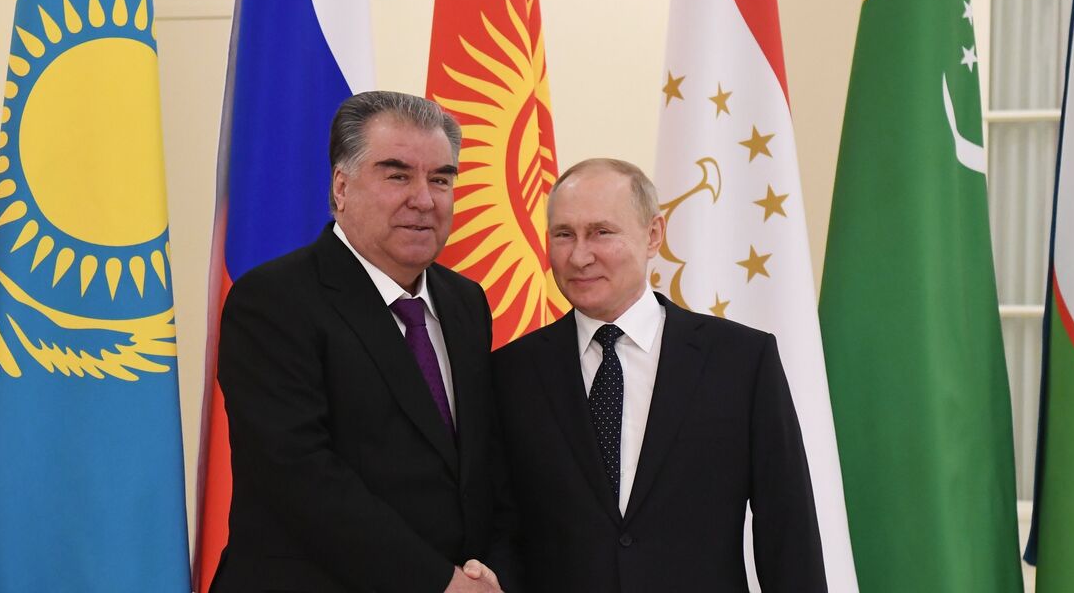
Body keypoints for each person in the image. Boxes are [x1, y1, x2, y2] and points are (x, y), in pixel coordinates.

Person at [211, 91, 515, 592]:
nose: (424, 199)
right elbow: (300, 477)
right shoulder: (272, 301)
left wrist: (492, 573)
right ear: (341, 187)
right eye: (398, 176)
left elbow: (483, 469)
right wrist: (440, 583)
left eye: (441, 179)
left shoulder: (466, 302)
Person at [493, 158, 827, 592]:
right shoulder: (511, 373)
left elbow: (788, 531)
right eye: (563, 235)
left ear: (653, 235)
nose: (579, 256)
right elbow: (501, 526)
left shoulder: (741, 361)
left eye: (601, 232)